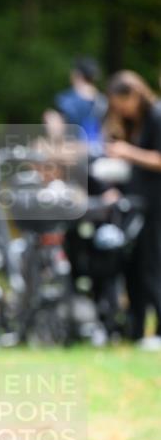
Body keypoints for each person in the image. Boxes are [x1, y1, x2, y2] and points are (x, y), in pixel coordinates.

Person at [105, 71, 161, 347]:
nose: (121, 109)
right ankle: (136, 329)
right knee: (134, 266)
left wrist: (128, 152)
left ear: (136, 94)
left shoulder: (156, 116)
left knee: (153, 264)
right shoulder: (132, 123)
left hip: (155, 204)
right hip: (136, 202)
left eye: (122, 103)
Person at [50, 56, 107, 154]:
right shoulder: (104, 100)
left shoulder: (66, 99)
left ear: (77, 75)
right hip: (100, 152)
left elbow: (57, 132)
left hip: (70, 152)